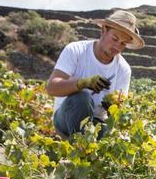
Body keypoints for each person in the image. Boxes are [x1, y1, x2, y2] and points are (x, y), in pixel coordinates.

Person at [46, 10, 145, 139]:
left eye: (123, 43)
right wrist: (82, 83)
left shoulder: (123, 69)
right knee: (82, 98)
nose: (117, 46)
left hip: (96, 123)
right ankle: (79, 148)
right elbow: (52, 88)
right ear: (103, 30)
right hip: (65, 119)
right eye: (115, 38)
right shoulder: (76, 50)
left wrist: (113, 107)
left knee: (117, 141)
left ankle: (86, 147)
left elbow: (118, 113)